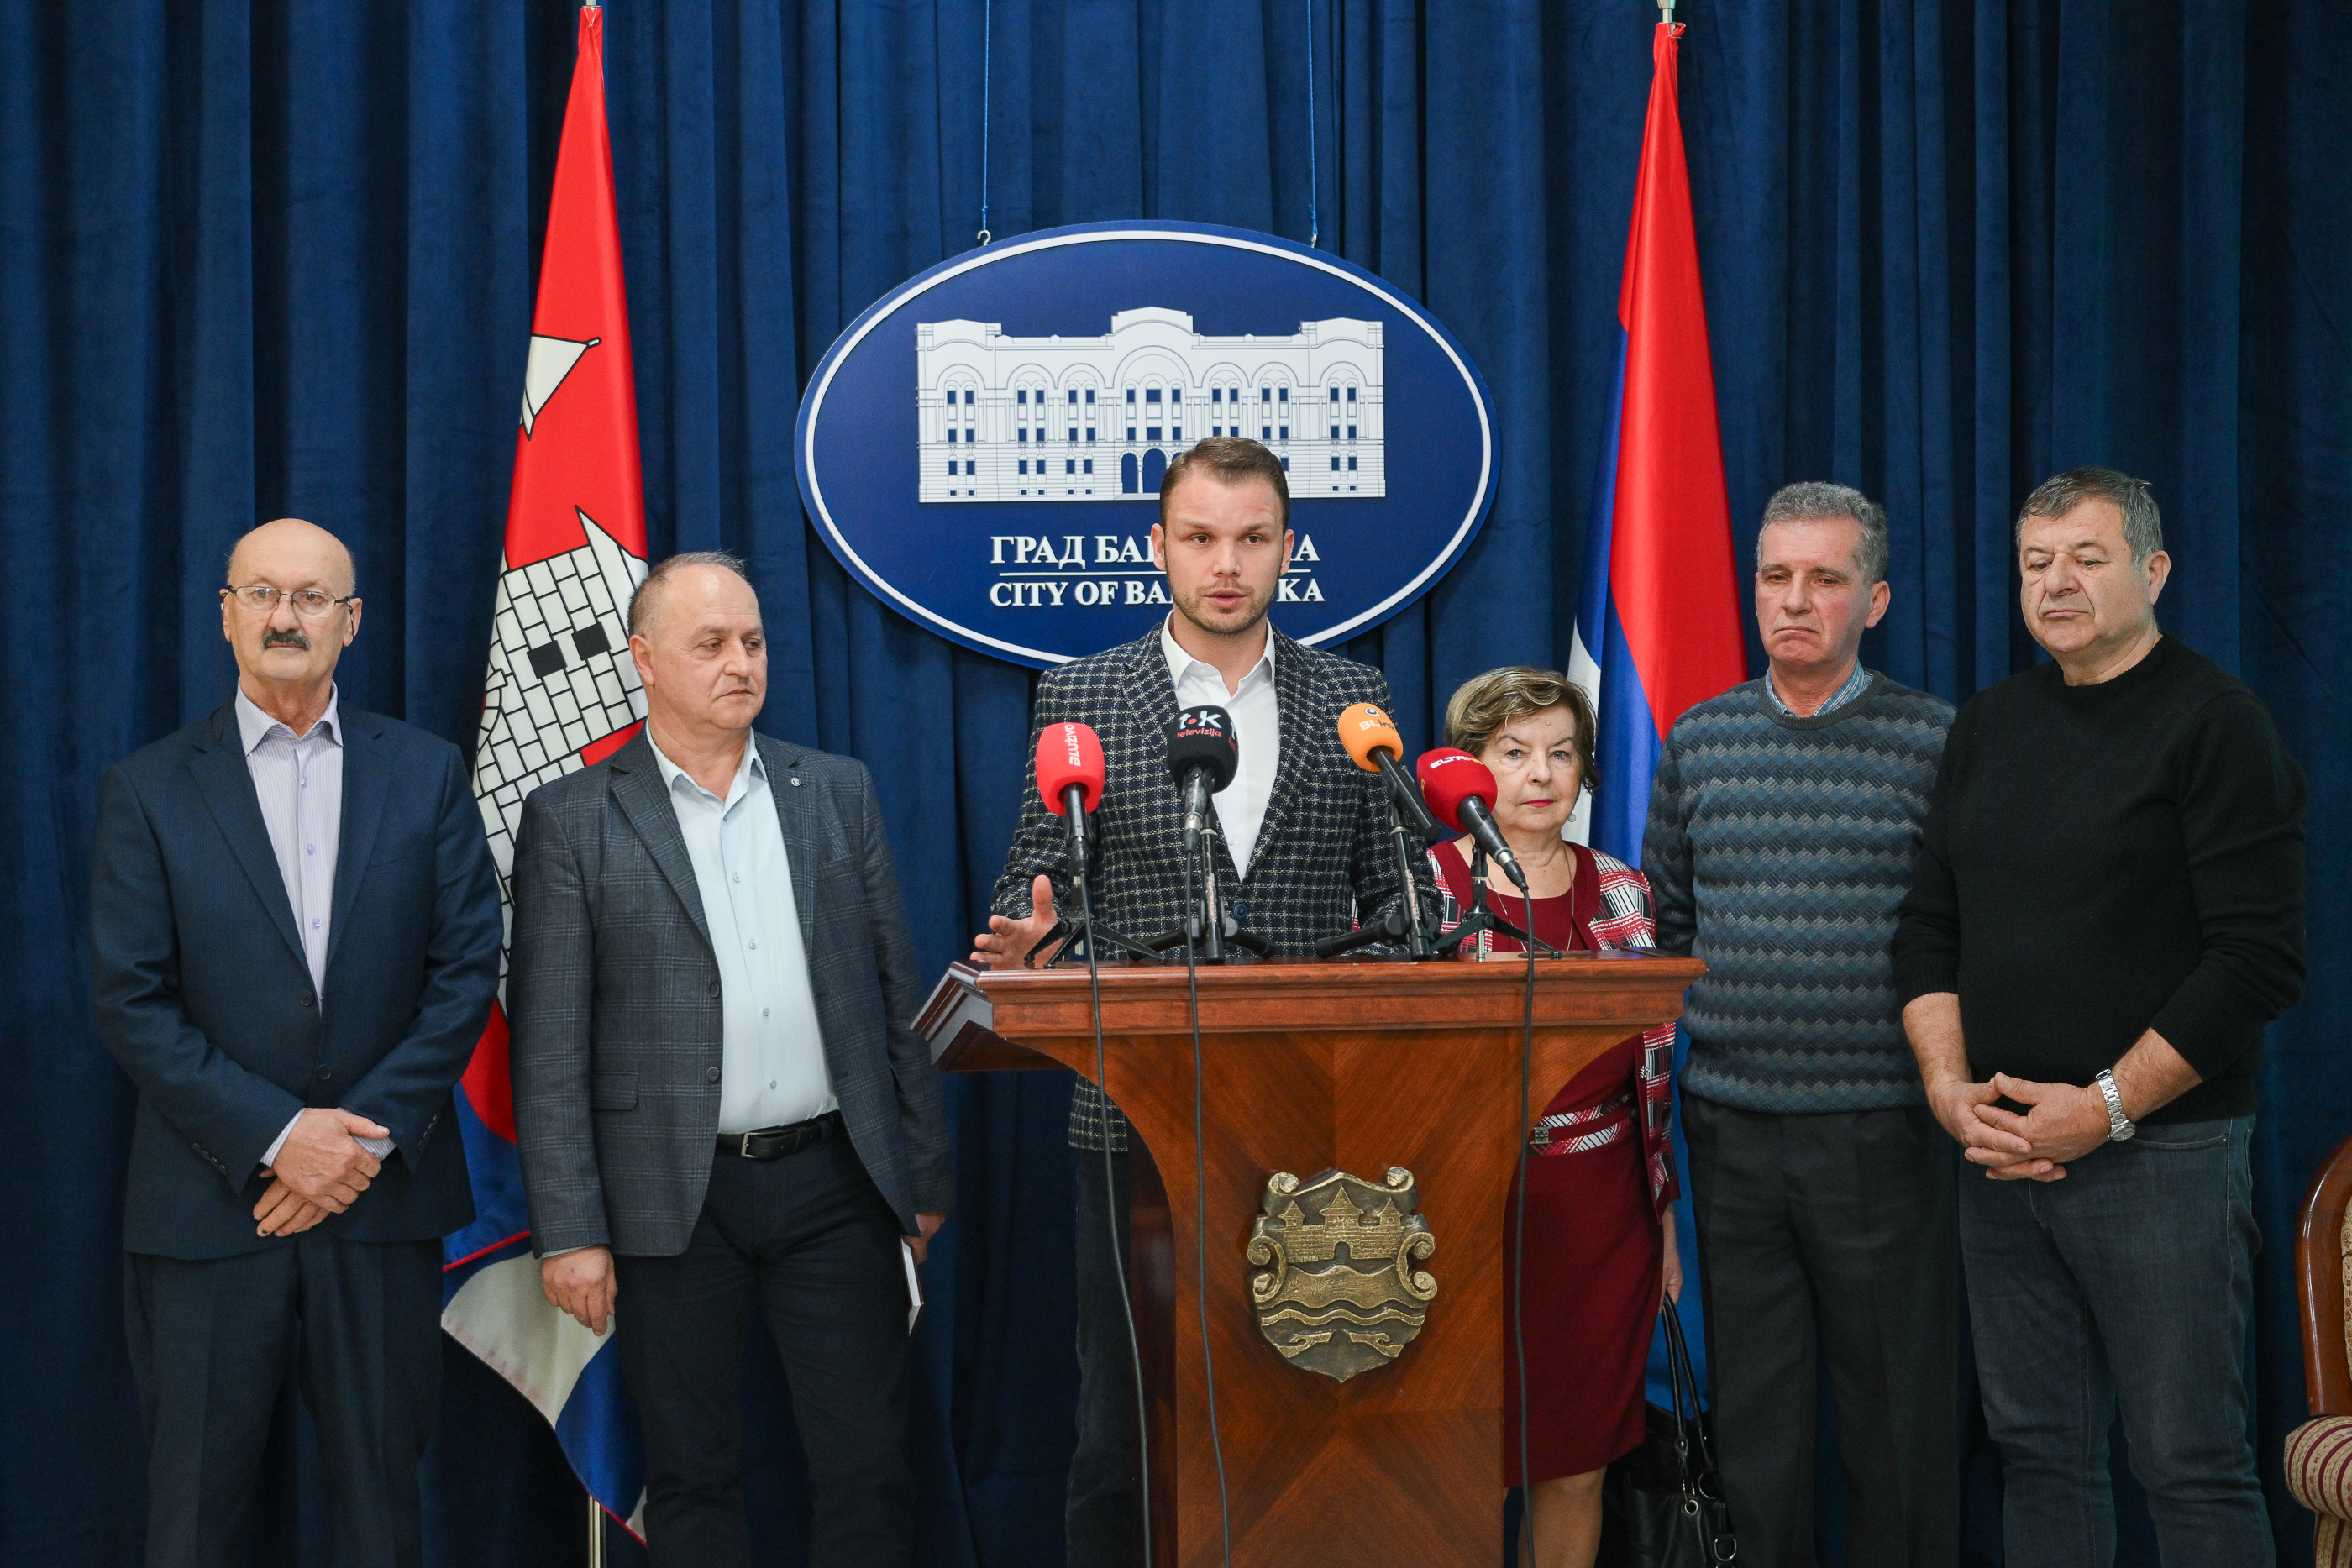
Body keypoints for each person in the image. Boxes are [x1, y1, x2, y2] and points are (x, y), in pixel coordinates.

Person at [968, 436, 1430, 1567]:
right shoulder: (1082, 693)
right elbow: (1037, 878)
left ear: (1287, 547)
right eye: (1201, 537)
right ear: (1158, 546)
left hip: (1315, 1114)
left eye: (1253, 537)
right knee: (1124, 1418)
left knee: (1302, 1405)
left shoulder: (1353, 695)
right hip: (1133, 1115)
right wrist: (1032, 938)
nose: (1227, 563)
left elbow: (1400, 901)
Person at [1893, 468, 2305, 1565]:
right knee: (2039, 1454)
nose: (2058, 582)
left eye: (2088, 556)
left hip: (2161, 1156)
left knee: (2188, 1460)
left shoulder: (2215, 722)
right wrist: (1948, 1090)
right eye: (2037, 561)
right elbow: (1927, 925)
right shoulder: (1989, 725)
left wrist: (2105, 1108)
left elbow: (2257, 961)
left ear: (2153, 571)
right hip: (2002, 1153)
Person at [507, 552, 952, 1568]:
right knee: (692, 1474)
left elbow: (895, 1001)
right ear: (643, 659)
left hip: (835, 1182)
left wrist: (921, 1178)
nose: (740, 663)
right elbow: (550, 1046)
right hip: (669, 1196)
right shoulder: (574, 819)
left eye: (751, 641)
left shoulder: (835, 792)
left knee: (867, 1467)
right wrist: (569, 1229)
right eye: (709, 643)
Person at [88, 518, 503, 1568]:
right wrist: (281, 1139)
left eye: (312, 597)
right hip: (209, 1208)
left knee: (381, 1522)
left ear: (350, 622)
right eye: (263, 593)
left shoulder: (426, 772)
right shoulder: (149, 787)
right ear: (225, 614)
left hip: (379, 1206)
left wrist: (351, 1148)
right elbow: (132, 999)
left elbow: (465, 971)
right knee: (193, 1525)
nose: (286, 616)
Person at [1641, 482, 1960, 1567]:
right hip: (1732, 1129)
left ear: (1875, 599)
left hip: (1886, 1128)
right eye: (1775, 575)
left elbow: (1960, 928)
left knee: (1898, 1422)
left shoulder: (1934, 739)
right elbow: (1667, 927)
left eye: (1825, 578)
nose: (1793, 599)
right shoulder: (1700, 739)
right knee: (1757, 1427)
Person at [1425, 667, 1680, 1568]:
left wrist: (1662, 1217)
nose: (1541, 774)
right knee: (1455, 1467)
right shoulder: (1421, 888)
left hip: (1600, 1218)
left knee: (1574, 1468)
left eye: (1561, 753)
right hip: (1457, 1216)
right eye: (1514, 752)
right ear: (1468, 767)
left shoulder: (1623, 890)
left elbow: (1650, 1077)